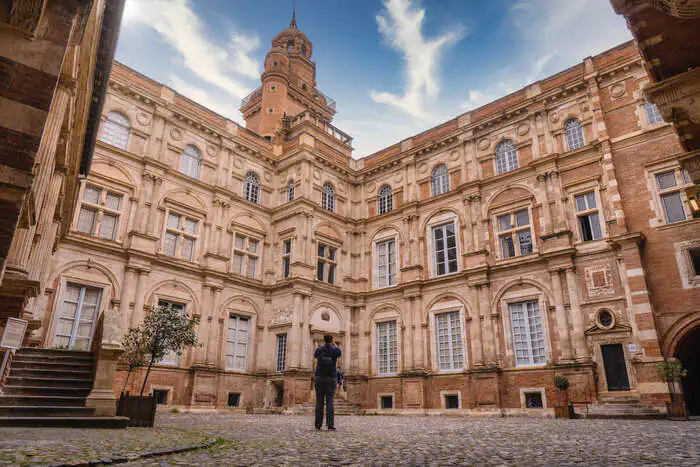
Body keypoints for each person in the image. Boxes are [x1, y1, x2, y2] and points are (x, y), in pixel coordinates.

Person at [313, 334, 341, 430]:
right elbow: (339, 352)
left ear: (323, 340)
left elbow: (315, 356)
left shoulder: (319, 349)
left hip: (319, 377)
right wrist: (334, 344)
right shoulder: (334, 349)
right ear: (331, 340)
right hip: (331, 377)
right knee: (330, 402)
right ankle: (330, 425)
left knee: (319, 402)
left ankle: (318, 424)